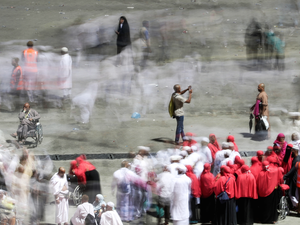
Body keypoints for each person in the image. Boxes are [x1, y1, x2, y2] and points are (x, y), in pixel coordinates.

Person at [283, 145, 300, 211]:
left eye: (292, 151)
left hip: (294, 179)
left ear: (295, 151)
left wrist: (285, 176)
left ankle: (297, 206)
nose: (291, 153)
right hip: (295, 179)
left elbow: (292, 170)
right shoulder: (297, 158)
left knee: (291, 194)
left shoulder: (297, 160)